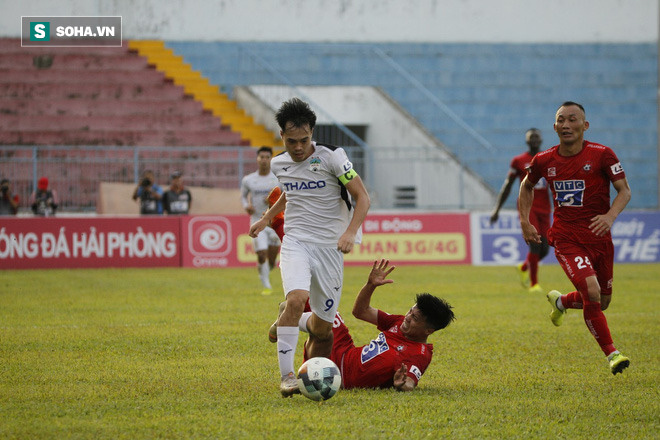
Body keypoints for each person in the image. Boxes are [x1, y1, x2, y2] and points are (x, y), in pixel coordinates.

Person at [249, 97, 371, 397]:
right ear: (282, 137)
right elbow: (288, 192)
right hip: (297, 241)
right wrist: (266, 219)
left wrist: (350, 233)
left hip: (330, 248)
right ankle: (287, 376)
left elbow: (362, 197)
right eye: (292, 141)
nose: (299, 147)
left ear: (312, 133)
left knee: (322, 329)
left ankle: (287, 319)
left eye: (304, 140)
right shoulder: (279, 163)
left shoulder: (332, 158)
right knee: (296, 297)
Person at [519, 101, 632, 375]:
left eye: (572, 120)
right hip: (567, 238)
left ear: (585, 125)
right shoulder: (544, 160)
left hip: (599, 238)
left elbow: (624, 191)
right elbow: (527, 185)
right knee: (592, 293)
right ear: (554, 126)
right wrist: (524, 221)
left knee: (602, 301)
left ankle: (562, 302)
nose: (566, 125)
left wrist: (609, 217)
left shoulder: (602, 155)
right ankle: (612, 354)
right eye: (561, 120)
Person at [270, 259, 455, 392]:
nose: (407, 318)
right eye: (410, 312)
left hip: (338, 377)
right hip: (344, 351)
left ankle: (288, 321)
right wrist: (370, 285)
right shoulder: (398, 322)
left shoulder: (420, 354)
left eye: (415, 318)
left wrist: (402, 384)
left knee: (315, 319)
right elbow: (360, 311)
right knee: (325, 308)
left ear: (428, 330)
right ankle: (288, 318)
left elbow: (410, 381)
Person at [490, 128, 552, 293]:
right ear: (526, 141)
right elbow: (508, 186)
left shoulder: (548, 158)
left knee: (545, 249)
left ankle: (524, 267)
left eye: (536, 137)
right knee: (535, 244)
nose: (534, 140)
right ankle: (534, 284)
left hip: (545, 208)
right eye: (530, 137)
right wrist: (497, 209)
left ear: (541, 140)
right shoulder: (518, 161)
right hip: (527, 206)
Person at [241, 147, 281, 295]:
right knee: (261, 254)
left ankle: (266, 269)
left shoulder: (277, 178)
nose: (264, 160)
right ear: (257, 159)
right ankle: (266, 285)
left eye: (267, 157)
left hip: (274, 221)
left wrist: (273, 199)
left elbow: (284, 195)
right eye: (261, 157)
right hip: (257, 220)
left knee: (271, 259)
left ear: (271, 159)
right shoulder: (249, 179)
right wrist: (247, 206)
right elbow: (243, 196)